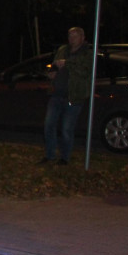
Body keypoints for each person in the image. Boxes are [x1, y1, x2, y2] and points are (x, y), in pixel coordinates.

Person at [39, 26, 92, 166]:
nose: (72, 39)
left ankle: (65, 158)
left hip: (72, 97)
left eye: (75, 36)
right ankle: (50, 155)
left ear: (82, 38)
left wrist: (67, 64)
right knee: (49, 125)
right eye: (70, 36)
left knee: (66, 128)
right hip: (56, 94)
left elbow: (85, 71)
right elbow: (54, 65)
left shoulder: (86, 53)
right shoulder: (63, 50)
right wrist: (51, 72)